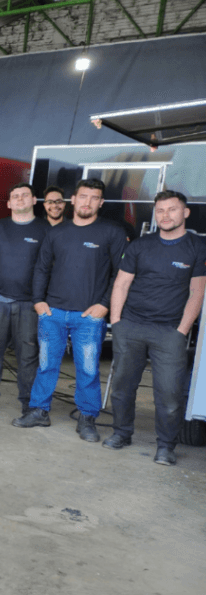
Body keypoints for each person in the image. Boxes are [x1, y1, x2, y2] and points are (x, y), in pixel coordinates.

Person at [17, 179, 127, 441]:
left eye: (94, 197)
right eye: (83, 196)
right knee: (46, 365)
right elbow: (42, 267)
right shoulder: (57, 232)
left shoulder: (112, 232)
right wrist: (38, 301)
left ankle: (87, 418)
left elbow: (121, 274)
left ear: (101, 202)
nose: (88, 202)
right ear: (74, 200)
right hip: (52, 313)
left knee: (88, 369)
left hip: (89, 316)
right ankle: (39, 411)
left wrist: (104, 304)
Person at [107, 190, 206, 466]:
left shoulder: (197, 247)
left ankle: (165, 446)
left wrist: (182, 330)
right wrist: (117, 322)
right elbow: (121, 284)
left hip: (169, 332)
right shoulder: (140, 245)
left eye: (172, 209)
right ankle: (121, 433)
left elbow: (197, 292)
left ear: (185, 212)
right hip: (131, 326)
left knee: (169, 394)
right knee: (122, 388)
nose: (165, 215)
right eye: (160, 210)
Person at [0, 183, 51, 414]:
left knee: (28, 356)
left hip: (29, 304)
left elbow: (52, 268)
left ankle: (29, 403)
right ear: (9, 203)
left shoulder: (46, 230)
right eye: (15, 196)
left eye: (25, 195)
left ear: (34, 200)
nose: (20, 199)